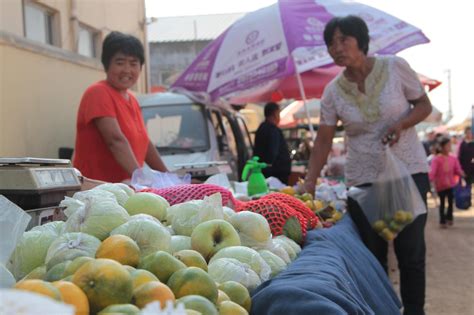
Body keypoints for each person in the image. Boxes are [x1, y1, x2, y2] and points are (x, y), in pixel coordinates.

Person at [303, 16, 432, 315]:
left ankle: (414, 311)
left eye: (343, 39)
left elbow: (423, 106)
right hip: (363, 179)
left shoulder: (395, 67)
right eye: (330, 43)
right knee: (374, 258)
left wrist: (402, 124)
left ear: (361, 41)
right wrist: (309, 181)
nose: (336, 48)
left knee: (410, 252)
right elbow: (323, 140)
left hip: (407, 171)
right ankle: (383, 309)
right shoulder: (333, 91)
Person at [73, 31, 168, 182]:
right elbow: (115, 140)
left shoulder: (132, 99)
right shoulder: (98, 92)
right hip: (96, 190)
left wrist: (169, 178)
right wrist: (141, 179)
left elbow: (145, 144)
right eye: (120, 62)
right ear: (106, 64)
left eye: (133, 63)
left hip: (124, 189)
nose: (127, 70)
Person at [429, 137, 465, 228]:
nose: (449, 147)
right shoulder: (436, 159)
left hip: (451, 185)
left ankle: (449, 218)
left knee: (450, 202)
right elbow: (432, 172)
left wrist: (462, 173)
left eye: (450, 145)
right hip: (440, 185)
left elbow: (457, 169)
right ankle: (442, 221)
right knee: (442, 203)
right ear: (441, 147)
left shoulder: (453, 158)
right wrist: (429, 179)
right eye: (447, 145)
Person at [253, 102, 291, 184]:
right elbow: (273, 152)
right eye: (279, 113)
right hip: (276, 173)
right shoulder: (272, 130)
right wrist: (270, 165)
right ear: (275, 114)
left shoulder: (261, 128)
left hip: (266, 171)